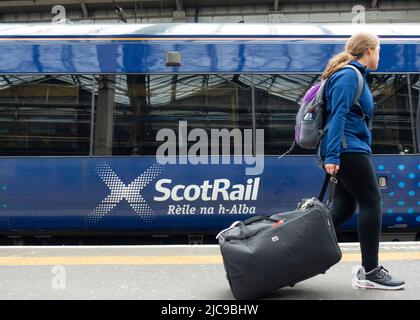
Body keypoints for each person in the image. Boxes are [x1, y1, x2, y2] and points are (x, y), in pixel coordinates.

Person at [320, 32, 405, 290]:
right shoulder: (349, 75)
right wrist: (333, 156)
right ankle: (371, 271)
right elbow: (338, 116)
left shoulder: (352, 75)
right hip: (348, 149)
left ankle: (292, 247)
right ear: (368, 50)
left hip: (349, 148)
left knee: (343, 209)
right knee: (372, 202)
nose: (379, 55)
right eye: (378, 49)